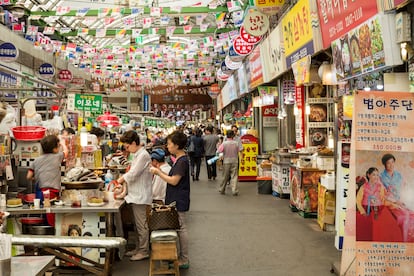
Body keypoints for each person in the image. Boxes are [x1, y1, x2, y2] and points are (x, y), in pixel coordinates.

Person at [149, 130, 190, 269]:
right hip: (176, 198)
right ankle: (179, 256)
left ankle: (184, 259)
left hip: (179, 199)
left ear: (177, 145)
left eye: (170, 144)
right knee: (179, 228)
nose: (167, 146)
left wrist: (158, 172)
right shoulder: (179, 160)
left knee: (181, 228)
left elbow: (173, 181)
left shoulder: (182, 161)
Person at [116, 130, 152, 261]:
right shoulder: (137, 154)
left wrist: (120, 180)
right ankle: (138, 247)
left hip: (140, 196)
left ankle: (144, 250)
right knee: (137, 225)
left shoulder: (143, 155)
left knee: (141, 225)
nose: (127, 149)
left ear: (133, 143)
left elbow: (133, 173)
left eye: (127, 146)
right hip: (135, 194)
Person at [27, 135, 68, 226]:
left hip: (39, 192)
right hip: (51, 193)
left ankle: (44, 231)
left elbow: (29, 176)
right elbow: (66, 152)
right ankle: (52, 234)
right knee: (51, 216)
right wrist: (63, 144)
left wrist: (36, 178)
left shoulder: (36, 160)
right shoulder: (57, 157)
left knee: (44, 214)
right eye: (58, 146)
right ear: (54, 149)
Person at [356, 167, 403, 242]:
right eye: (374, 175)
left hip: (379, 210)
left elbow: (383, 200)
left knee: (389, 227)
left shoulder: (380, 187)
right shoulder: (363, 187)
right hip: (366, 210)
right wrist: (362, 211)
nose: (376, 177)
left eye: (377, 175)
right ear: (368, 175)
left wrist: (393, 204)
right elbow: (358, 201)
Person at [217, 130, 242, 196]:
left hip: (226, 161)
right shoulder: (236, 143)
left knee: (225, 176)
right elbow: (240, 150)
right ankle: (234, 190)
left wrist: (221, 157)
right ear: (233, 136)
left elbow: (218, 151)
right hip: (235, 161)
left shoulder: (224, 143)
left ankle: (222, 189)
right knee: (234, 176)